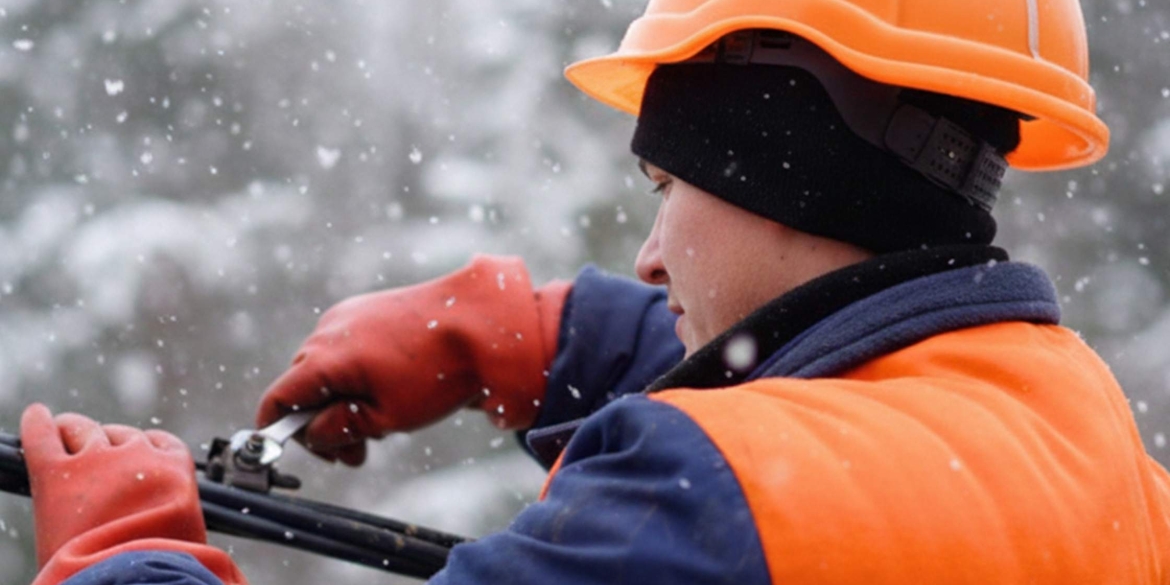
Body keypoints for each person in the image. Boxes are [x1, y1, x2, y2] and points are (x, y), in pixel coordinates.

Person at [21, 0, 1170, 583]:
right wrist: (541, 337)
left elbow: (728, 495)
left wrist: (124, 553)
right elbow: (858, 435)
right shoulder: (1091, 440)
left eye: (670, 183)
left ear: (790, 178)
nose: (653, 257)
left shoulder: (691, 510)